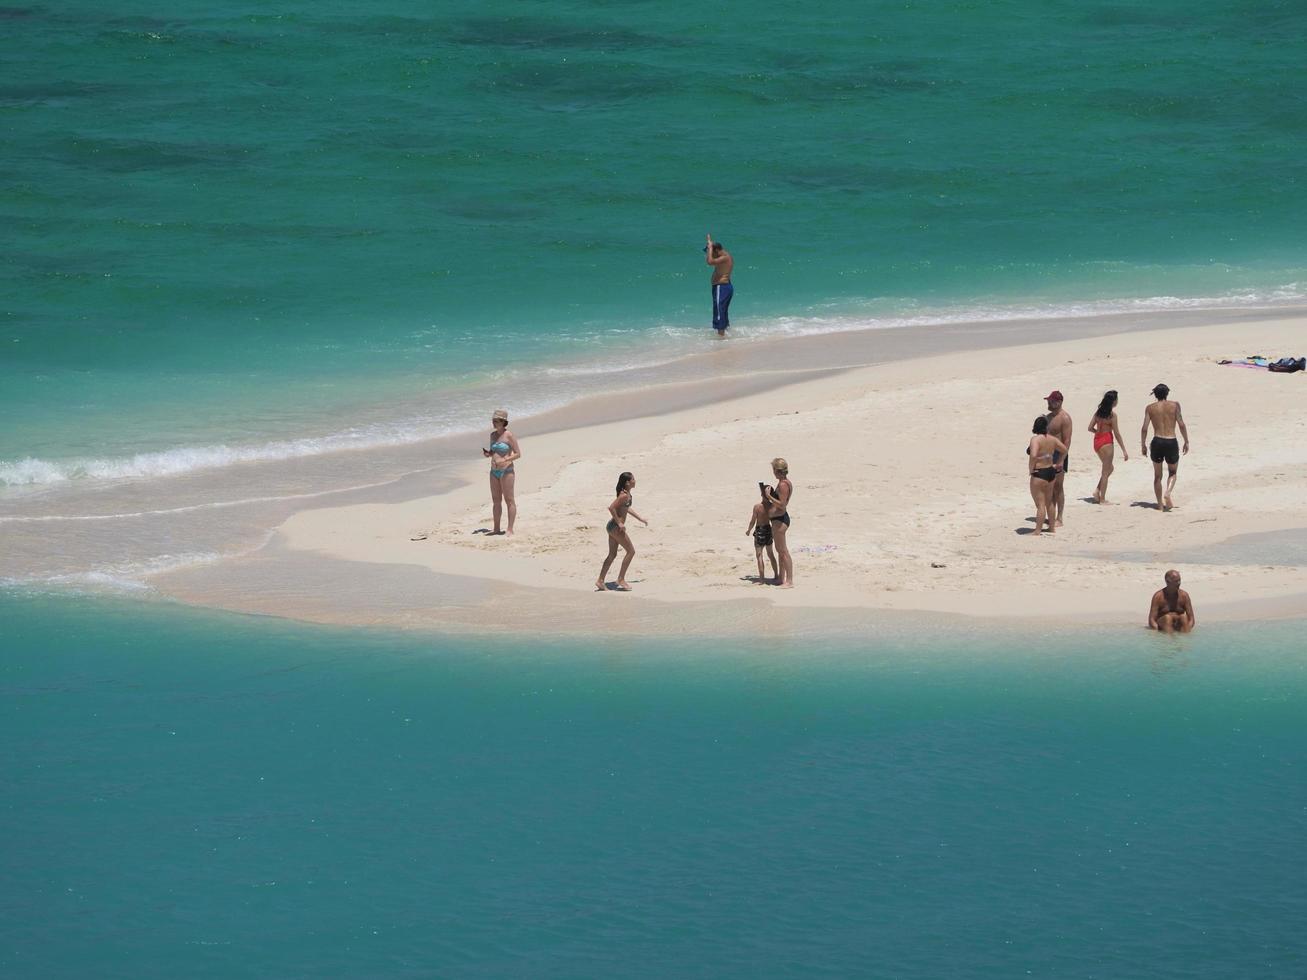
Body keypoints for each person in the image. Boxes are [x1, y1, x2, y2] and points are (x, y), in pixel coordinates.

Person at [1140, 383, 1190, 511]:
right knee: (1172, 472)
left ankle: (1160, 505)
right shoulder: (1174, 405)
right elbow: (1182, 424)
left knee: (1157, 476)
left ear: (1155, 394)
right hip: (1170, 441)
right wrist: (1186, 441)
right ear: (1167, 393)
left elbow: (1144, 428)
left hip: (1157, 441)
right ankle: (1167, 492)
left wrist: (1143, 445)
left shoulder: (1150, 408)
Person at [596, 471, 647, 592]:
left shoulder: (626, 494)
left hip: (611, 527)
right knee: (631, 551)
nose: (635, 480)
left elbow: (626, 508)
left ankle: (600, 581)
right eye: (633, 479)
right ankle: (621, 579)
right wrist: (619, 523)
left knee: (612, 555)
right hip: (615, 527)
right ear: (628, 482)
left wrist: (640, 518)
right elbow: (611, 507)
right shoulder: (623, 495)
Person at [481, 409, 521, 535]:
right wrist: (489, 454)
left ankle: (510, 529)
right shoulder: (492, 435)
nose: (494, 423)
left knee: (509, 500)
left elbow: (518, 454)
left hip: (506, 470)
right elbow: (494, 451)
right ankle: (496, 528)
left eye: (496, 421)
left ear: (503, 422)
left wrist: (505, 459)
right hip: (493, 471)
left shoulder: (509, 435)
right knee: (496, 500)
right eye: (493, 420)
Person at [1027, 416, 1068, 535]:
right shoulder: (1052, 439)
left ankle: (1037, 531)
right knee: (1049, 502)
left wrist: (1031, 469)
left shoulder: (1035, 439)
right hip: (1051, 472)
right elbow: (1064, 449)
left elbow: (1033, 455)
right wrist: (1059, 461)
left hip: (1039, 473)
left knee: (1040, 504)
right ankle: (1051, 528)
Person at [1088, 390, 1129, 503]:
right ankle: (1102, 499)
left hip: (1097, 441)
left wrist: (1098, 432)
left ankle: (1097, 490)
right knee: (1106, 472)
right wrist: (1124, 450)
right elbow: (1117, 434)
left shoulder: (1098, 413)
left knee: (1109, 468)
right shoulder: (1112, 415)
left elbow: (1090, 428)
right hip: (1106, 442)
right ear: (1113, 401)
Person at [1044, 390, 1072, 526]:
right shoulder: (1048, 417)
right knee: (1048, 486)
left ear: (1059, 402)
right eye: (1048, 401)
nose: (1048, 403)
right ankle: (1051, 515)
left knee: (1058, 487)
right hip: (1047, 455)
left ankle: (1059, 518)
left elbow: (1067, 441)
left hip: (1058, 454)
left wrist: (1061, 459)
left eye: (1051, 401)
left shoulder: (1065, 418)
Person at [765, 457, 794, 587]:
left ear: (777, 470)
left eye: (773, 470)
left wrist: (769, 497)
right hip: (777, 519)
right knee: (779, 550)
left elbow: (782, 504)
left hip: (781, 520)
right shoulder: (783, 482)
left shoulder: (783, 484)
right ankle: (781, 578)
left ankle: (790, 580)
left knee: (783, 551)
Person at [746, 484, 779, 585]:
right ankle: (776, 575)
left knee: (759, 555)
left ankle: (761, 579)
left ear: (761, 494)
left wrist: (748, 530)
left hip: (760, 530)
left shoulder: (757, 507)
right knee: (771, 554)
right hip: (768, 530)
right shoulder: (772, 506)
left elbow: (752, 521)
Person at [1148, 569, 1195, 633]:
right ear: (1168, 581)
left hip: (1178, 624)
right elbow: (1151, 620)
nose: (1179, 583)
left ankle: (1185, 641)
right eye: (1176, 581)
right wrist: (1158, 632)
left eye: (1179, 580)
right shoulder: (1158, 597)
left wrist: (1188, 628)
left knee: (1183, 617)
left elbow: (1191, 619)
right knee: (1168, 618)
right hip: (1163, 624)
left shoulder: (1184, 596)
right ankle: (1169, 642)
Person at [705, 233, 733, 336]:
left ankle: (721, 337)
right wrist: (709, 244)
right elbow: (710, 259)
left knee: (719, 311)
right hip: (724, 287)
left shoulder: (725, 257)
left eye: (712, 251)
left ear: (716, 250)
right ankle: (725, 335)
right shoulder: (723, 256)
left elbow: (710, 262)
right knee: (722, 311)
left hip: (722, 287)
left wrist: (710, 248)